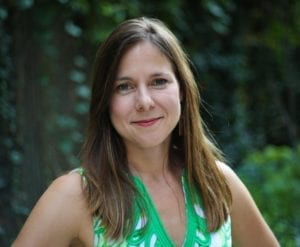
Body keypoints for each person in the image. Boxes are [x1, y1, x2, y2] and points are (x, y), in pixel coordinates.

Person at [13, 17, 279, 247]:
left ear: (183, 90)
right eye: (125, 87)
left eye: (158, 82)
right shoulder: (77, 196)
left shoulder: (218, 184)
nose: (144, 101)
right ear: (106, 101)